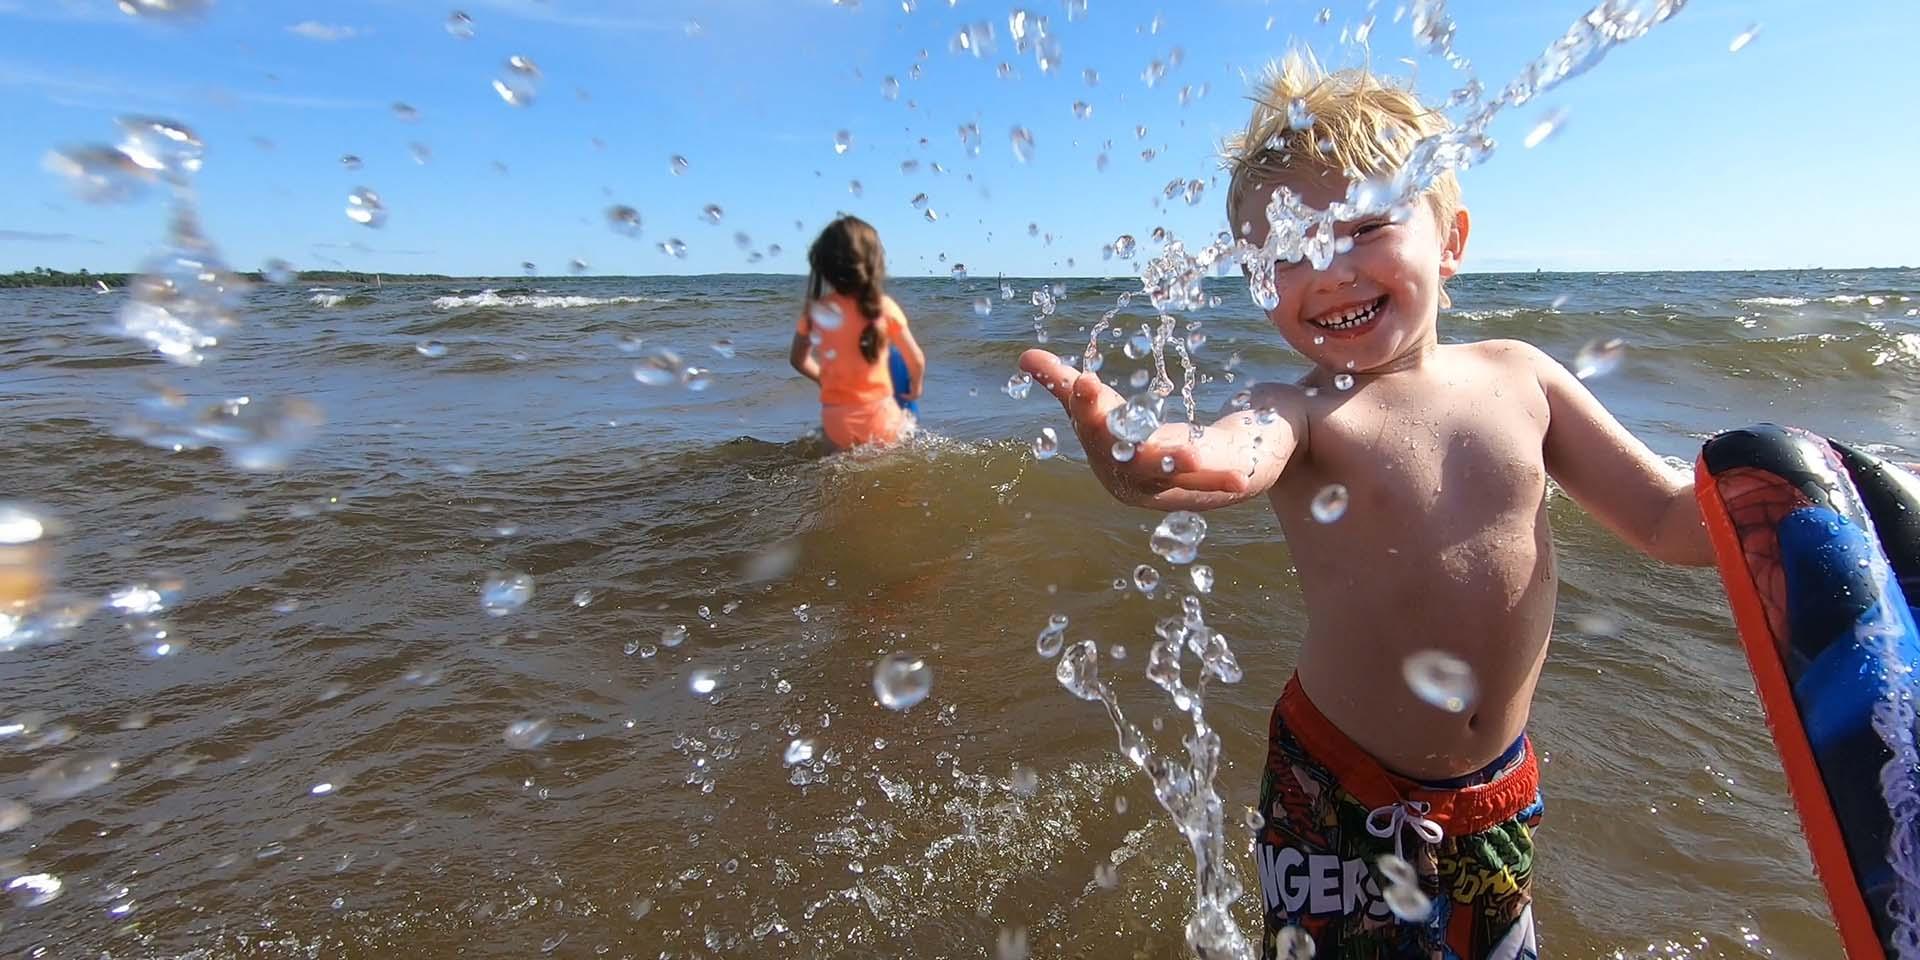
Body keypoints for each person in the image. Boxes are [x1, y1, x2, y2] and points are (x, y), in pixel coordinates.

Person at [1020, 52, 1716, 959]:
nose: (1332, 270)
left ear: (1452, 238)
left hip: (1496, 789)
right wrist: (1147, 458)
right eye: (1290, 251)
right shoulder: (1301, 409)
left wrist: (1789, 500)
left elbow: (1666, 519)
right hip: (1340, 790)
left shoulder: (1525, 378)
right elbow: (1225, 464)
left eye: (1365, 228)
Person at [790, 216, 926, 450]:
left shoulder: (816, 312)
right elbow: (916, 360)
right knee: (903, 441)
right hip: (879, 414)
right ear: (874, 263)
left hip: (836, 419)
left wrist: (825, 379)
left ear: (824, 266)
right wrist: (916, 387)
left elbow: (798, 360)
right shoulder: (884, 307)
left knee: (838, 469)